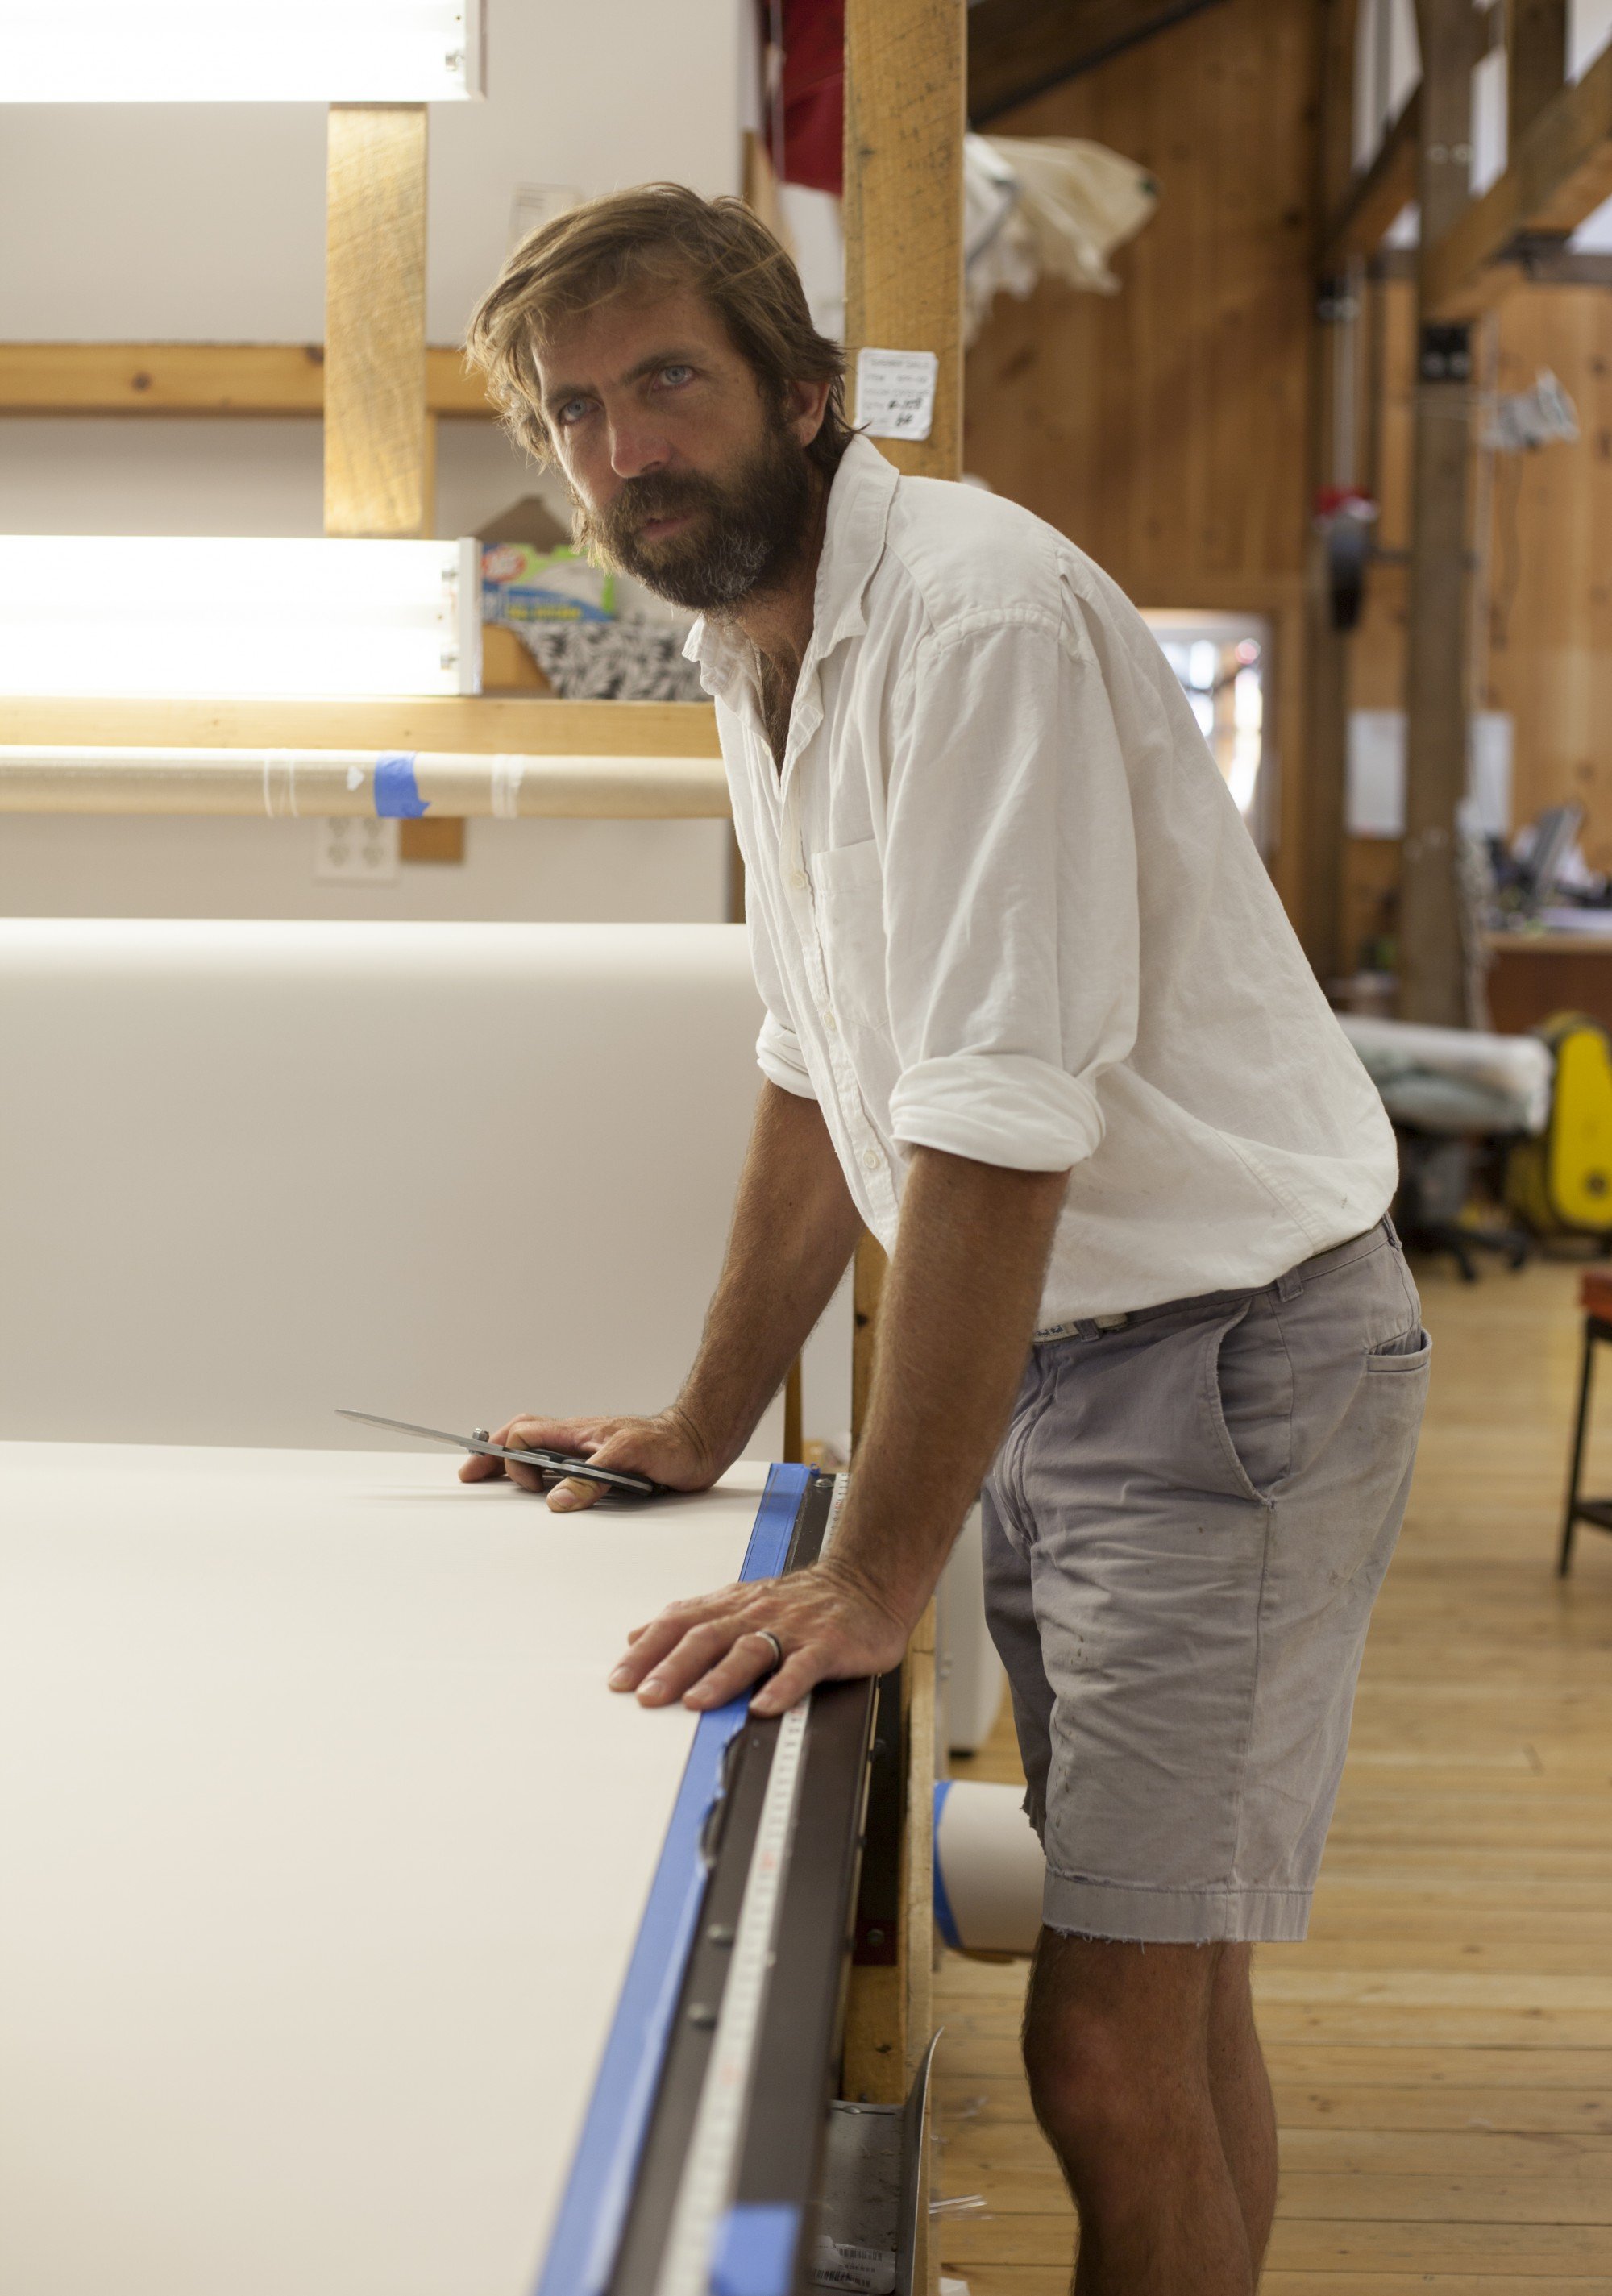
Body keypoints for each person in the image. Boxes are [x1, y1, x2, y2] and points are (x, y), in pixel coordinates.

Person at [461, 185, 1428, 2296]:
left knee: (1101, 2044)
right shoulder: (759, 637)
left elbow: (992, 1137)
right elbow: (827, 1064)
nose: (629, 447)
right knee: (1169, 2010)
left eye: (671, 383)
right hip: (1094, 1360)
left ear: (803, 394)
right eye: (583, 411)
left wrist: (880, 1566)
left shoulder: (972, 620)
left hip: (1228, 1366)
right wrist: (705, 1418)